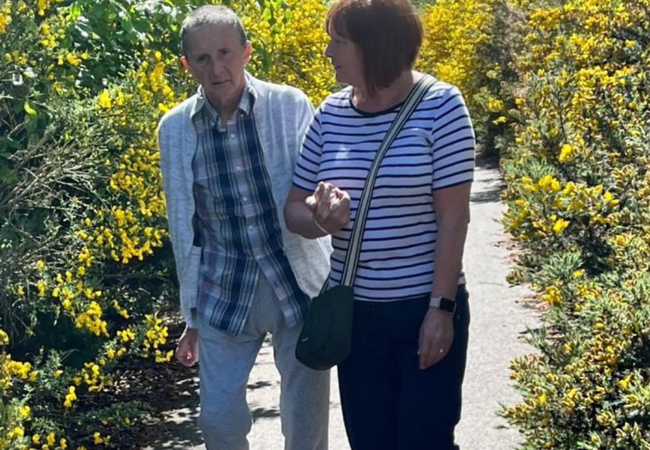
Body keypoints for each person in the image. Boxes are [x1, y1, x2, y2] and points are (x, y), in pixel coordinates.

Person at [284, 0, 475, 449]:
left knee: (426, 439)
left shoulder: (442, 107)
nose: (328, 52)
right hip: (358, 315)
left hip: (423, 309)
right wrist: (319, 215)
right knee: (370, 441)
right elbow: (293, 209)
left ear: (376, 45)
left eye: (339, 41)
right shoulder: (330, 113)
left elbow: (454, 218)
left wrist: (440, 310)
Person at [157, 5, 332, 450]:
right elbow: (183, 222)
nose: (217, 69)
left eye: (226, 52)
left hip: (296, 280)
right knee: (218, 420)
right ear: (186, 65)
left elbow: (317, 187)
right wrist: (190, 313)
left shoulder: (289, 105)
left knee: (305, 424)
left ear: (247, 52)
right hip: (224, 285)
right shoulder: (175, 128)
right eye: (202, 59)